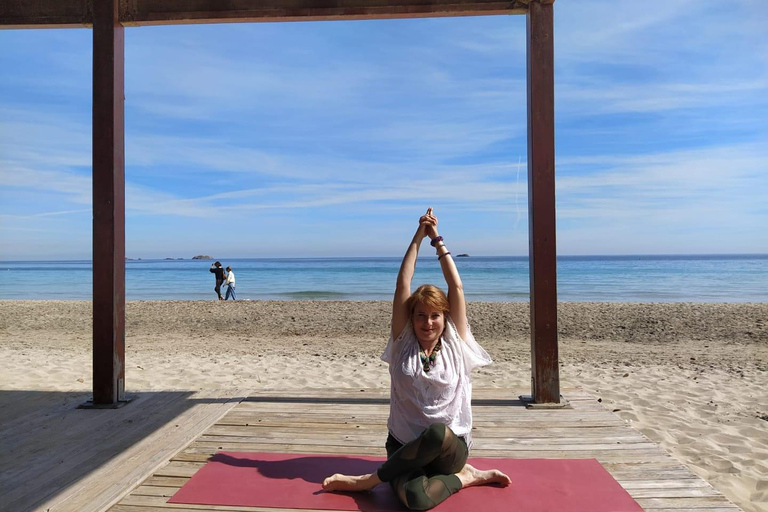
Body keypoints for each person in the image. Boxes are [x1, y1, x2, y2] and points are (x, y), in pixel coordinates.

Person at [322, 207, 510, 510]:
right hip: (402, 448)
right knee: (415, 500)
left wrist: (436, 238)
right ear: (412, 318)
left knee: (436, 432)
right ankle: (467, 478)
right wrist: (417, 236)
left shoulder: (455, 342)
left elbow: (457, 287)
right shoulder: (403, 343)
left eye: (435, 315)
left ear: (444, 317)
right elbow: (402, 285)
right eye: (421, 315)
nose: (427, 322)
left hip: (449, 448)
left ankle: (369, 481)